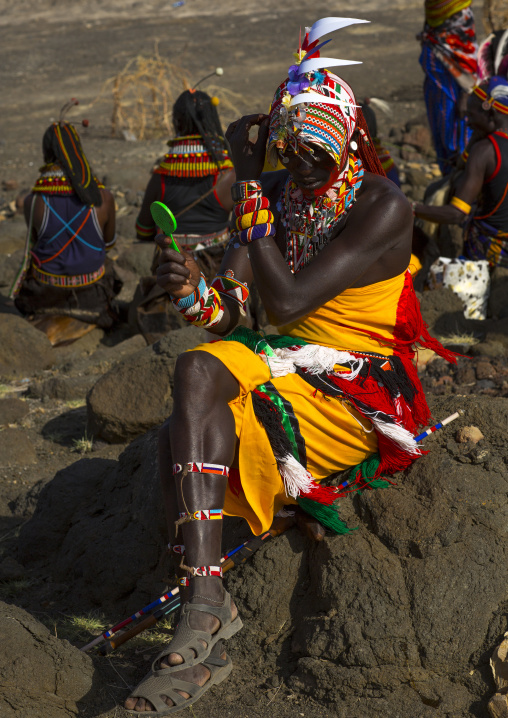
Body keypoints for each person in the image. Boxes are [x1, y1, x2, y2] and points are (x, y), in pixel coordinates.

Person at [124, 16, 454, 714]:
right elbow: (241, 313)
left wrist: (249, 188)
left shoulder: (382, 206)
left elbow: (291, 295)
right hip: (285, 358)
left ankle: (205, 606)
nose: (299, 163)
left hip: (358, 381)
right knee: (193, 380)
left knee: (192, 425)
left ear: (345, 142)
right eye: (287, 148)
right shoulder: (282, 197)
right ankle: (209, 598)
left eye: (313, 150)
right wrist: (195, 293)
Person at [132, 89, 236, 341]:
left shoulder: (162, 175)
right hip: (219, 266)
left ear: (176, 122)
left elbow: (143, 230)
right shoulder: (228, 173)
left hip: (174, 267)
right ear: (213, 120)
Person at [10, 103, 118, 332]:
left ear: (46, 153)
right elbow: (108, 244)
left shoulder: (33, 201)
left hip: (46, 292)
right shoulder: (104, 198)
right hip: (92, 290)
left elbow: (38, 242)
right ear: (78, 151)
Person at [413, 76, 508, 267]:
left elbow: (457, 214)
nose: (467, 120)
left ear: (489, 112)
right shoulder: (487, 146)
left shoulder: (485, 151)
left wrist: (412, 209)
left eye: (471, 114)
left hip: (493, 248)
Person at [419, 0, 478, 174]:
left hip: (454, 99)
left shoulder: (460, 26)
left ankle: (460, 183)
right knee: (442, 143)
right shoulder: (433, 32)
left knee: (455, 142)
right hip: (436, 94)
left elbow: (469, 70)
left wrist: (466, 97)